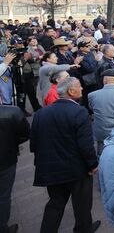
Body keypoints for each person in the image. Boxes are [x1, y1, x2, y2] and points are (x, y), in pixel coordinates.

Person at [30, 77, 101, 233]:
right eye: (79, 87)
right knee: (82, 205)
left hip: (50, 168)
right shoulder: (79, 112)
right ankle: (84, 229)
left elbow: (33, 144)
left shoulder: (41, 113)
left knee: (55, 204)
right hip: (77, 169)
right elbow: (85, 144)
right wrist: (93, 164)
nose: (82, 89)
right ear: (71, 91)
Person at [0, 102, 30, 233]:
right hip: (6, 160)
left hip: (6, 160)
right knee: (4, 195)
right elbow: (24, 134)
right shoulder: (13, 112)